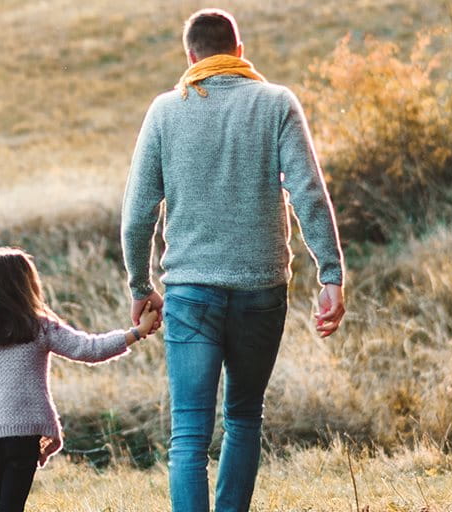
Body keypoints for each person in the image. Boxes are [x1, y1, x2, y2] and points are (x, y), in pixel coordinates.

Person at [120, 8, 349, 512]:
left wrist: (140, 286)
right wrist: (330, 273)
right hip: (261, 289)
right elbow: (308, 193)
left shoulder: (165, 110)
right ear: (239, 52)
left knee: (189, 433)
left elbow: (137, 215)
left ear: (191, 56)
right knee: (244, 417)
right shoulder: (276, 104)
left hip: (190, 292)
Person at [0, 247, 162, 512]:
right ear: (24, 287)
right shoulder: (39, 327)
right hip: (23, 437)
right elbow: (89, 349)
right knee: (10, 506)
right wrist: (136, 332)